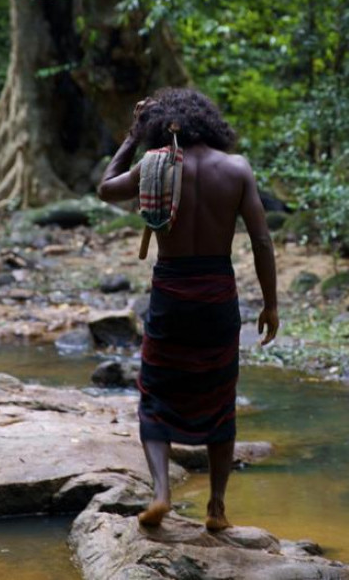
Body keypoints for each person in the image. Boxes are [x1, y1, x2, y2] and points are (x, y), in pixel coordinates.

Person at [97, 88, 279, 531]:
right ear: (209, 122)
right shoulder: (236, 169)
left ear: (161, 126)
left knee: (156, 394)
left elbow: (105, 189)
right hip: (218, 295)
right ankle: (216, 508)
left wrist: (131, 136)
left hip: (172, 292)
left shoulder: (154, 163)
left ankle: (161, 493)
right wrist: (271, 303)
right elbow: (260, 240)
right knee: (220, 397)